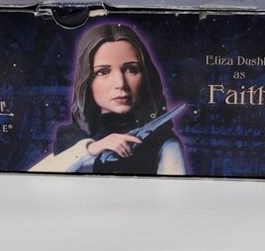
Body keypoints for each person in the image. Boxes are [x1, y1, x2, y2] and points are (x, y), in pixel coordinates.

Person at [29, 24, 187, 175]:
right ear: (87, 81)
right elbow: (29, 182)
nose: (120, 84)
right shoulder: (72, 138)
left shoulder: (165, 144)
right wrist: (90, 149)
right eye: (103, 72)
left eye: (131, 69)